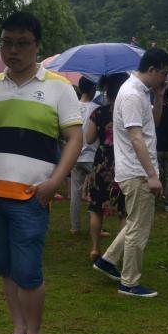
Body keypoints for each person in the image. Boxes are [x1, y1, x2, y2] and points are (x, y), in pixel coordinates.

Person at [0, 11, 83, 334]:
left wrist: (55, 180)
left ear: (37, 46)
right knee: (5, 268)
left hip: (30, 196)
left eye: (22, 43)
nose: (13, 50)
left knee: (29, 270)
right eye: (7, 42)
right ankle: (19, 332)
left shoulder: (58, 87)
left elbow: (74, 137)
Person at [92, 48, 168, 298]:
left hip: (138, 170)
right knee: (139, 227)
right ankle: (129, 282)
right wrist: (151, 175)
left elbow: (154, 124)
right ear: (152, 70)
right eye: (164, 74)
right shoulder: (131, 94)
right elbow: (136, 137)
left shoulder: (141, 93)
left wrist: (159, 97)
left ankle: (108, 260)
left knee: (137, 222)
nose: (165, 79)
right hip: (137, 172)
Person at [85, 73, 129, 263]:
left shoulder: (99, 113)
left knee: (96, 208)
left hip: (101, 163)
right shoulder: (128, 111)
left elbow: (89, 138)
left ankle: (95, 249)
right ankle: (119, 253)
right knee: (124, 210)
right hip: (123, 163)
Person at [70, 76, 99, 233]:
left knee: (75, 193)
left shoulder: (71, 106)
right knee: (95, 193)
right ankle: (96, 225)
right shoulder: (96, 109)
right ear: (93, 89)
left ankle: (75, 227)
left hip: (74, 156)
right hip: (91, 156)